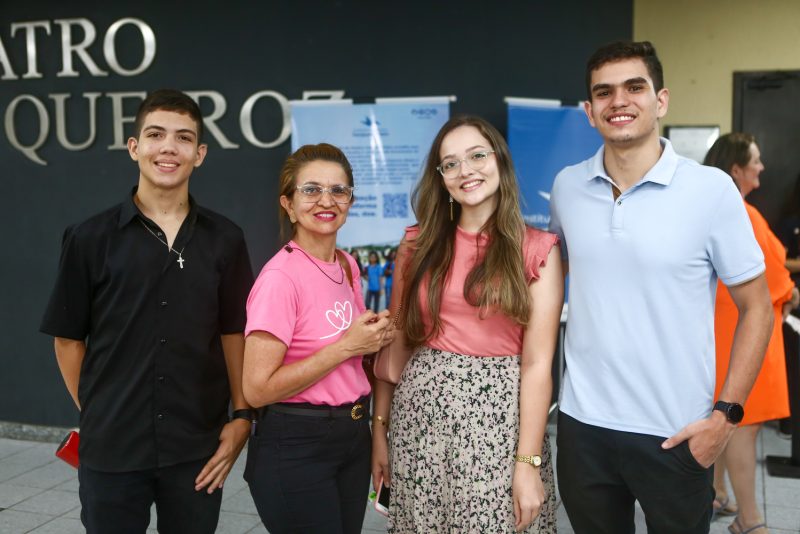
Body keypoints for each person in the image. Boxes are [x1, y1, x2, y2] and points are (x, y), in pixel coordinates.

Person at [549, 41, 774, 534]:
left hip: (677, 432)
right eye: (604, 92)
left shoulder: (711, 190)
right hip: (584, 428)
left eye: (635, 87)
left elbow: (758, 308)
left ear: (661, 100)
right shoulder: (567, 187)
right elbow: (549, 283)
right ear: (589, 111)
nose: (619, 101)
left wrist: (726, 417)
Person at [40, 89, 255, 533]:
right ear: (134, 147)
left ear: (200, 154)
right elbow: (67, 339)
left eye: (183, 138)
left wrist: (241, 417)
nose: (168, 148)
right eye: (156, 135)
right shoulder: (88, 238)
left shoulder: (226, 239)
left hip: (197, 447)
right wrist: (98, 410)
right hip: (112, 448)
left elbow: (233, 333)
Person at [371, 115, 563, 533]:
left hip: (498, 429)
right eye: (451, 163)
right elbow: (395, 342)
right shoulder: (416, 244)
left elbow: (537, 365)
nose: (466, 170)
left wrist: (527, 463)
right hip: (418, 422)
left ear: (499, 161)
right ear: (441, 178)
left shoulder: (537, 250)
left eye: (477, 156)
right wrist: (379, 431)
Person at [242, 143, 394, 534]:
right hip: (297, 445)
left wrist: (374, 336)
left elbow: (354, 353)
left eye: (338, 190)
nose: (326, 200)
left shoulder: (346, 264)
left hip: (352, 435)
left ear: (350, 201)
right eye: (311, 190)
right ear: (289, 205)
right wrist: (346, 347)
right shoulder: (280, 279)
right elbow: (256, 390)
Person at [704, 133, 797, 534]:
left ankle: (717, 492)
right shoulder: (741, 213)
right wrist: (792, 291)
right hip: (745, 331)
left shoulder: (717, 208)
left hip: (725, 327)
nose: (761, 167)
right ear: (736, 169)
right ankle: (749, 518)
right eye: (755, 160)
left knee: (720, 412)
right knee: (742, 420)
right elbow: (771, 277)